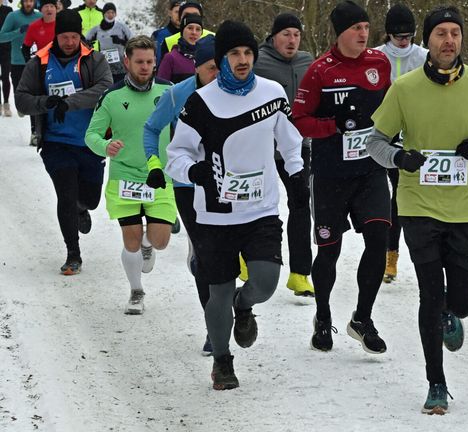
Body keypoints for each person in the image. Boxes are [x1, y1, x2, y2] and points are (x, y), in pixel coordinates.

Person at [366, 5, 468, 414]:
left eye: (455, 33)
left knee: (459, 300)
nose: (449, 40)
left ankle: (452, 310)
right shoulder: (405, 88)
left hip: (466, 206)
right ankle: (436, 383)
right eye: (441, 33)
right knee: (429, 293)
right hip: (419, 205)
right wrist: (398, 157)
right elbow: (375, 142)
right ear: (427, 40)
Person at [165, 20, 304, 390]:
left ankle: (245, 306)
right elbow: (175, 155)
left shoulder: (272, 93)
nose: (243, 60)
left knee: (266, 282)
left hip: (261, 209)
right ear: (221, 58)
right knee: (219, 291)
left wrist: (297, 177)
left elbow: (290, 143)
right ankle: (222, 361)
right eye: (234, 54)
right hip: (215, 213)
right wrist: (194, 171)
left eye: (247, 53)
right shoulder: (201, 102)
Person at [292, 0, 391, 355]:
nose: (363, 34)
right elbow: (299, 119)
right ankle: (323, 316)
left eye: (366, 27)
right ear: (340, 33)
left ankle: (362, 318)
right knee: (329, 251)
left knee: (379, 239)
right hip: (331, 174)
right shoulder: (320, 71)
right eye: (355, 28)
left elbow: (392, 107)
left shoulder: (380, 63)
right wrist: (332, 126)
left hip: (371, 171)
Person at [14, 9, 112, 274]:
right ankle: (73, 254)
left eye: (74, 37)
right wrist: (45, 102)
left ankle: (82, 208)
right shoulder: (39, 62)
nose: (69, 42)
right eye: (64, 37)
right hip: (55, 143)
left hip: (90, 141)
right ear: (56, 36)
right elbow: (21, 100)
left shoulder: (94, 59)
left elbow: (105, 88)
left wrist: (69, 103)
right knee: (66, 194)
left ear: (80, 36)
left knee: (90, 199)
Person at [84, 35, 174, 314]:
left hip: (160, 175)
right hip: (124, 176)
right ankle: (136, 291)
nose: (145, 67)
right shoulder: (111, 97)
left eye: (149, 62)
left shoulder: (169, 91)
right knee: (130, 239)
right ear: (127, 62)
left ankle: (149, 244)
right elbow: (91, 135)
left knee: (160, 240)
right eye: (139, 62)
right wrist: (105, 146)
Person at [143, 34, 218, 352]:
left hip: (230, 185)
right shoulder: (177, 94)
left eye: (223, 66)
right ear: (197, 67)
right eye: (212, 67)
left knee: (227, 253)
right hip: (189, 185)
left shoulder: (238, 93)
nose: (218, 74)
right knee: (207, 255)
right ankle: (214, 326)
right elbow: (151, 128)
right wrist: (154, 164)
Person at [253, 12, 314, 297]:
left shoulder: (307, 61)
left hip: (298, 145)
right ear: (273, 36)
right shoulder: (257, 61)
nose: (292, 40)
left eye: (296, 35)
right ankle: (246, 257)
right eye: (286, 34)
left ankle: (300, 273)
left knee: (301, 202)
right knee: (257, 203)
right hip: (262, 145)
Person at [373, 3, 427, 284]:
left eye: (408, 36)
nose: (404, 41)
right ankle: (385, 251)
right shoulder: (375, 56)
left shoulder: (423, 56)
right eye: (398, 36)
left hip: (413, 131)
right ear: (388, 34)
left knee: (402, 194)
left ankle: (393, 255)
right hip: (382, 130)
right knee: (382, 195)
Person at [0, 0, 40, 132]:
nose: (28, 4)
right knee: (19, 91)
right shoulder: (13, 16)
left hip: (36, 62)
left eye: (31, 1)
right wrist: (18, 31)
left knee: (35, 95)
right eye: (26, 1)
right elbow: (1, 37)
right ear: (22, 2)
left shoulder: (39, 16)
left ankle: (35, 131)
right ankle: (20, 105)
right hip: (17, 62)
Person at [84, 2, 132, 83]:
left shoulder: (122, 27)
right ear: (103, 14)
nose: (110, 15)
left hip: (120, 67)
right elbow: (85, 41)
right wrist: (89, 47)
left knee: (120, 87)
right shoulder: (97, 29)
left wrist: (121, 41)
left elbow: (133, 43)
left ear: (115, 14)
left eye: (113, 12)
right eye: (108, 12)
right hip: (104, 67)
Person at [157, 13, 200, 83]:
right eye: (190, 28)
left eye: (198, 29)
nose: (194, 32)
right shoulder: (170, 58)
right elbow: (161, 86)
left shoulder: (206, 58)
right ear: (182, 31)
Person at [150, 0, 182, 66]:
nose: (179, 15)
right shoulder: (157, 35)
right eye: (177, 12)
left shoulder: (192, 36)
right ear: (170, 13)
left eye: (182, 12)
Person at [0, 0, 12, 117]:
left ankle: (6, 103)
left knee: (5, 76)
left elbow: (12, 28)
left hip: (6, 48)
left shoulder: (8, 11)